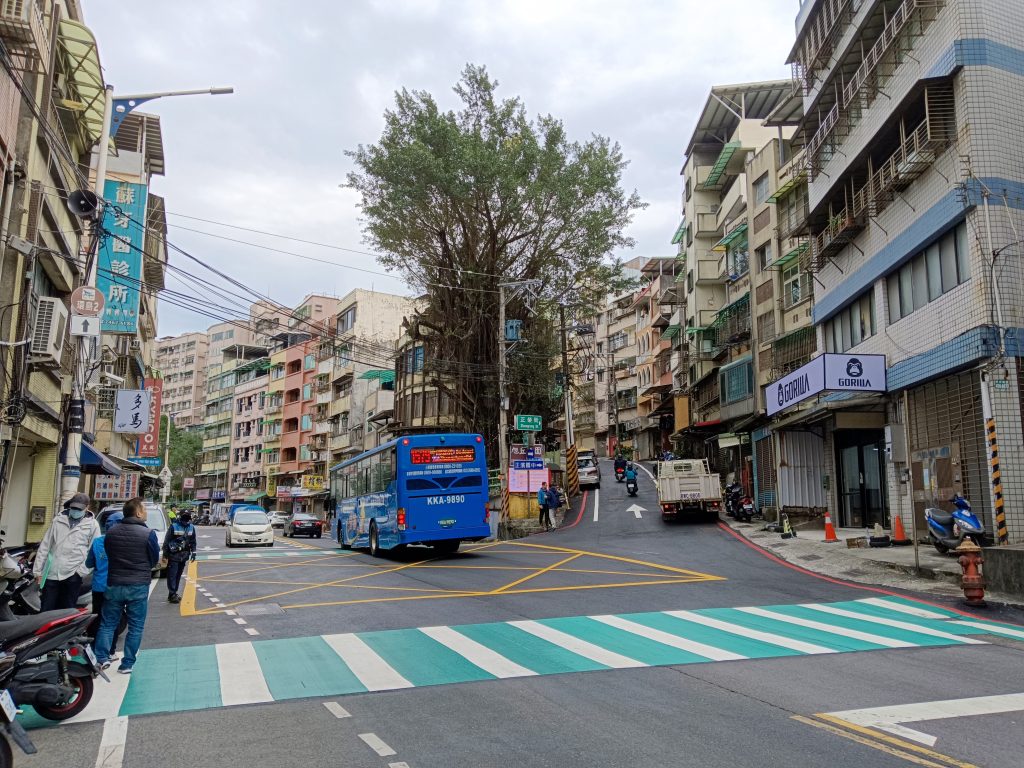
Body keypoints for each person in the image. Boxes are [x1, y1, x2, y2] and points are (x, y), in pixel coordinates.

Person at [95, 497, 159, 674]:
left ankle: (101, 659)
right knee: (136, 626)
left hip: (114, 583)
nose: (145, 512)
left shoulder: (111, 533)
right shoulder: (148, 534)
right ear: (138, 512)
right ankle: (127, 664)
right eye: (144, 509)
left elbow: (110, 554)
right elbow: (154, 559)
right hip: (138, 585)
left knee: (107, 623)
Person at [33, 492, 100, 612]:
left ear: (87, 507)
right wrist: (38, 570)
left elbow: (94, 551)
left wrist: (80, 572)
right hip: (52, 572)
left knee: (67, 612)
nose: (75, 511)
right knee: (46, 610)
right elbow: (45, 545)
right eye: (73, 508)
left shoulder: (92, 525)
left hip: (73, 574)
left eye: (79, 509)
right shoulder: (58, 520)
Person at [86, 511, 128, 662]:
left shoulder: (98, 542)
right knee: (114, 619)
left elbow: (89, 563)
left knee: (97, 618)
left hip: (99, 586)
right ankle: (110, 651)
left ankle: (94, 649)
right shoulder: (124, 543)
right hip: (116, 586)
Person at [162, 509, 197, 603]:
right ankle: (172, 594)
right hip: (174, 555)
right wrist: (165, 555)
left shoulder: (191, 527)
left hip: (184, 555)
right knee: (172, 575)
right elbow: (167, 541)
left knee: (178, 575)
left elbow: (193, 541)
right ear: (180, 517)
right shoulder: (174, 526)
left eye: (187, 516)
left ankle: (173, 593)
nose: (186, 518)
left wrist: (194, 552)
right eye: (184, 516)